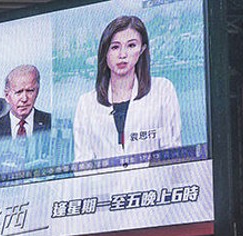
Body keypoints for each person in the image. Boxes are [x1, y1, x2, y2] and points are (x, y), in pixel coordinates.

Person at [73, 15, 182, 164]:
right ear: (105, 52)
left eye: (131, 46)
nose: (122, 55)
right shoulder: (86, 103)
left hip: (152, 186)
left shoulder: (163, 90)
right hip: (104, 187)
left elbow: (172, 152)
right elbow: (83, 163)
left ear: (142, 49)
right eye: (115, 47)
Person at [0, 65, 51, 139]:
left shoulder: (51, 123)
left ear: (37, 92)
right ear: (7, 96)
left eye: (30, 91)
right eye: (18, 92)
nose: (24, 99)